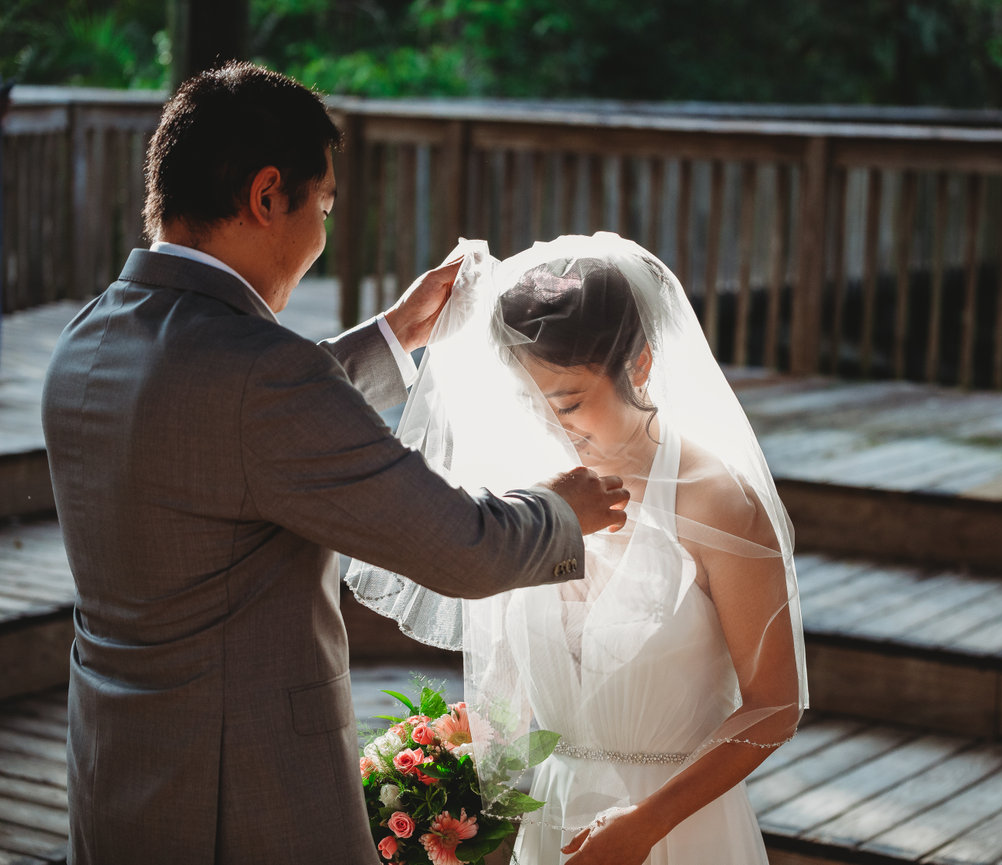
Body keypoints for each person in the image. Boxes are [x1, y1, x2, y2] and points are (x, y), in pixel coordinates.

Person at [40, 63, 628, 865]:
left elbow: (219, 426)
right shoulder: (262, 379)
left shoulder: (88, 336)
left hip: (114, 766)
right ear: (266, 195)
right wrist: (560, 511)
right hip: (243, 793)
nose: (322, 234)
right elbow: (459, 546)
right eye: (322, 206)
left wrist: (393, 334)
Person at [348, 233, 808, 864]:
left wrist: (647, 825)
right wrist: (434, 781)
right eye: (529, 403)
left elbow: (775, 704)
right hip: (552, 821)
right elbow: (509, 696)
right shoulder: (529, 492)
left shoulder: (717, 501)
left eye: (568, 404)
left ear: (640, 366)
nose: (549, 427)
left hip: (677, 830)